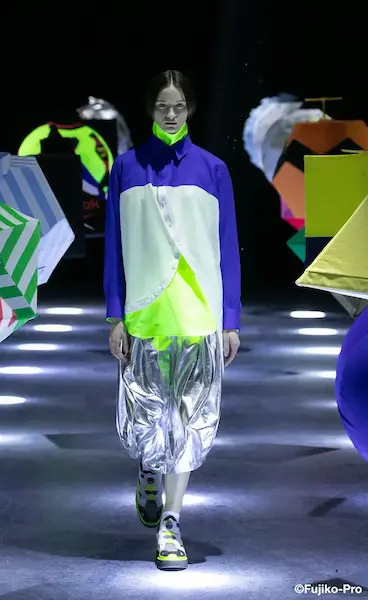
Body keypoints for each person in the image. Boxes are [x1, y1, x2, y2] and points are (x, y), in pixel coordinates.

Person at [104, 70, 241, 570]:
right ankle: (147, 467)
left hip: (198, 313)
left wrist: (230, 319)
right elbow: (115, 246)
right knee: (146, 420)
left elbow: (228, 246)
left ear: (190, 109)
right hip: (144, 314)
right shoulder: (126, 167)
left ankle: (171, 522)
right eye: (162, 105)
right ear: (150, 108)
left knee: (186, 422)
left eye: (178, 105)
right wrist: (114, 314)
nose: (170, 114)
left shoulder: (213, 169)